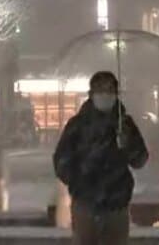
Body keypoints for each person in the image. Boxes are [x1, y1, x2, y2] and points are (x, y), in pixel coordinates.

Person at [53, 71, 149, 245]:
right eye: (100, 89)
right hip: (85, 205)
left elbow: (140, 159)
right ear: (91, 94)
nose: (105, 94)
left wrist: (128, 144)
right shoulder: (78, 125)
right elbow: (61, 161)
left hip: (116, 205)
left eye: (109, 89)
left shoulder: (124, 124)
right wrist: (80, 181)